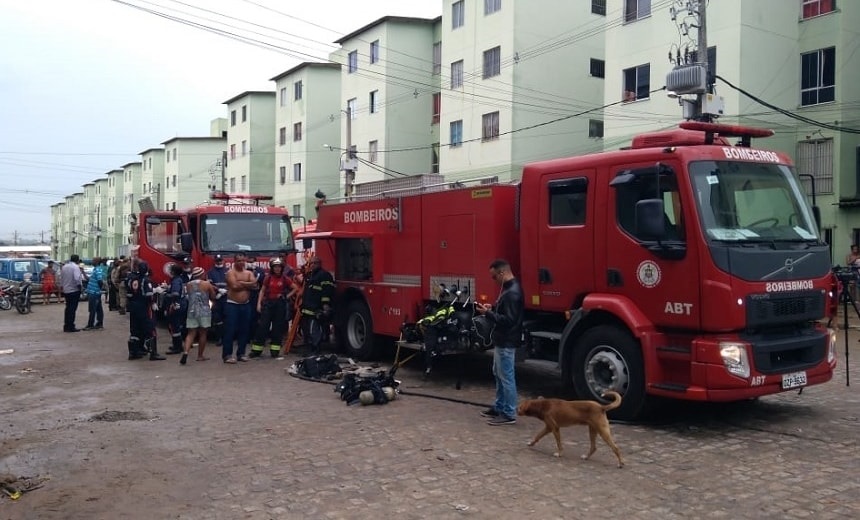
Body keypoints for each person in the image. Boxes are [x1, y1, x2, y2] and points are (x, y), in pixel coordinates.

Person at [476, 258, 524, 426]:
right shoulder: (510, 289)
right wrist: (493, 309)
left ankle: (509, 412)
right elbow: (507, 313)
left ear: (502, 272)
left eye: (494, 276)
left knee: (506, 376)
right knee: (499, 373)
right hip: (503, 339)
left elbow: (508, 320)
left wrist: (488, 314)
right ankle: (500, 406)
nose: (494, 280)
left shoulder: (512, 293)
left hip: (506, 340)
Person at [250, 258, 297, 358]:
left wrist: (285, 296)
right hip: (268, 304)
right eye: (275, 267)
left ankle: (275, 351)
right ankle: (256, 350)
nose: (277, 269)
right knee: (262, 327)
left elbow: (295, 288)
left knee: (277, 328)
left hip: (279, 305)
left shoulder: (285, 279)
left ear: (282, 268)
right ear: (272, 268)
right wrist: (259, 304)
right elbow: (262, 291)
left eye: (279, 267)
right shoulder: (268, 278)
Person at [221, 252, 258, 364]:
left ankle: (241, 353)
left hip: (246, 305)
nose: (241, 263)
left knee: (244, 330)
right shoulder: (230, 273)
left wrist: (242, 282)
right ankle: (227, 355)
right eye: (238, 261)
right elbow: (234, 286)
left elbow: (255, 285)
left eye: (243, 260)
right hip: (232, 304)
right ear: (234, 261)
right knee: (230, 330)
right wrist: (248, 284)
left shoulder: (248, 273)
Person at [125, 261, 165, 361]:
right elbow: (148, 295)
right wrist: (153, 299)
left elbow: (129, 295)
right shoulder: (146, 280)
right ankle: (153, 353)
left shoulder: (132, 279)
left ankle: (133, 352)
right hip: (144, 307)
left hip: (133, 308)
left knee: (135, 330)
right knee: (150, 329)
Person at [180, 267, 216, 365]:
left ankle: (186, 352)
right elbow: (213, 296)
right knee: (203, 333)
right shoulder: (207, 284)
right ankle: (200, 356)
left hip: (191, 311)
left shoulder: (188, 284)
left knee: (191, 333)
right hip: (204, 311)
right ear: (202, 274)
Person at [300, 256, 335, 356]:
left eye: (315, 263)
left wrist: (325, 305)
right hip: (307, 308)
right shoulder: (311, 275)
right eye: (311, 263)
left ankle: (316, 350)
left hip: (316, 309)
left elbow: (327, 291)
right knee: (307, 331)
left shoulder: (324, 275)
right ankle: (310, 350)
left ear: (319, 264)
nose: (312, 265)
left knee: (314, 331)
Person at [165, 263, 188, 355]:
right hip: (180, 304)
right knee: (176, 325)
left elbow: (175, 294)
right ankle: (177, 345)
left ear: (173, 272)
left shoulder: (175, 281)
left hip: (176, 305)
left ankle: (177, 347)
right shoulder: (178, 280)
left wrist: (166, 294)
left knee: (175, 326)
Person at [207, 254, 229, 344]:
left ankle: (227, 338)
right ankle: (219, 338)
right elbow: (209, 284)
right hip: (216, 298)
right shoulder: (210, 272)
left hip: (227, 297)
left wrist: (226, 291)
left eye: (220, 260)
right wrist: (218, 290)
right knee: (217, 318)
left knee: (227, 317)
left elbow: (232, 283)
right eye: (217, 261)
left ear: (223, 261)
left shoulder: (228, 271)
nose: (219, 262)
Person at [61, 254, 84, 332]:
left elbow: (61, 278)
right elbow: (77, 279)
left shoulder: (64, 267)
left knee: (68, 308)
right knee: (72, 309)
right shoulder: (75, 267)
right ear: (77, 260)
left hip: (66, 290)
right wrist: (80, 288)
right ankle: (71, 326)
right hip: (74, 290)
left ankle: (66, 325)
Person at [84, 257, 107, 330]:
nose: (92, 261)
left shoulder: (98, 270)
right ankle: (99, 323)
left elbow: (100, 281)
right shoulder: (96, 269)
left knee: (92, 309)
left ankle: (91, 324)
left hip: (94, 293)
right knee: (98, 308)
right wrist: (83, 273)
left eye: (93, 260)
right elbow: (90, 279)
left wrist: (98, 289)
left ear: (97, 262)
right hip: (94, 292)